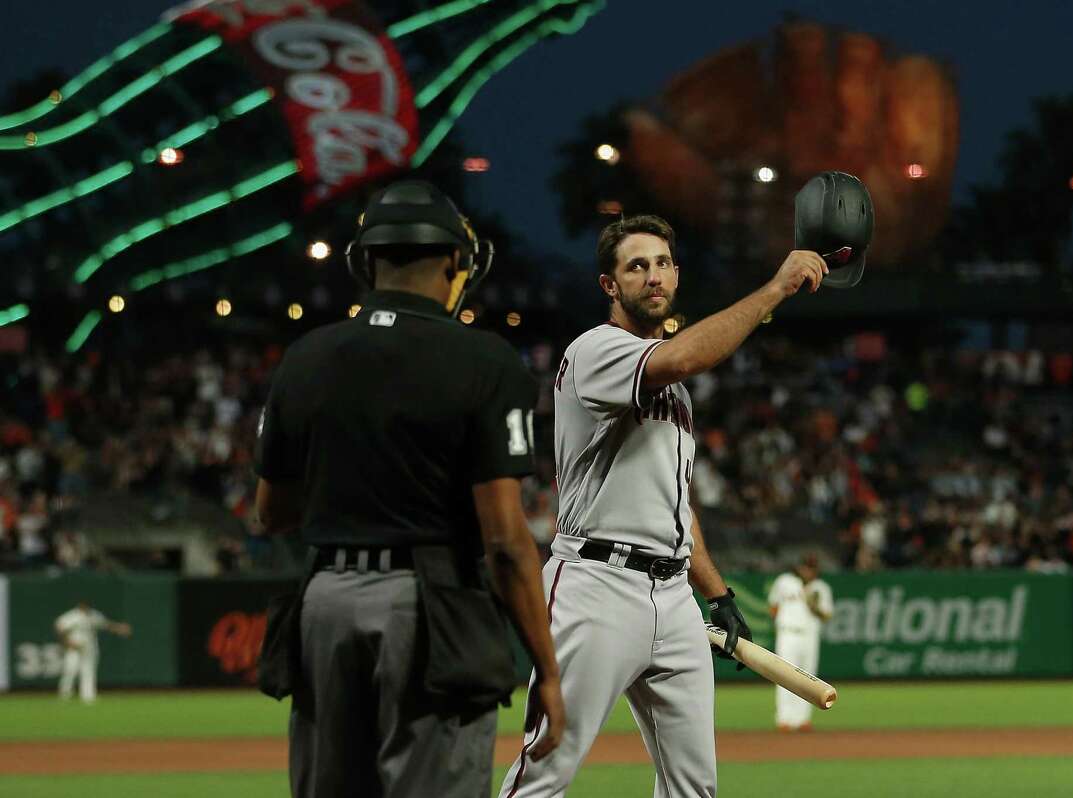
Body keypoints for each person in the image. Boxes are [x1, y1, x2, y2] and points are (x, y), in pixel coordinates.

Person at [499, 215, 830, 797]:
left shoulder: (672, 389)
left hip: (673, 593)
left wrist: (718, 594)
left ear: (676, 273)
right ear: (610, 285)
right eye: (636, 266)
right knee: (545, 771)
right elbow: (680, 358)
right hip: (595, 585)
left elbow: (677, 508)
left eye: (662, 263)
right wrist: (775, 289)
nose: (653, 276)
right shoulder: (595, 350)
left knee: (693, 786)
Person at [254, 180, 564, 798]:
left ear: (367, 262)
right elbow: (504, 541)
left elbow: (272, 513)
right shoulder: (485, 360)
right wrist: (547, 672)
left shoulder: (306, 356)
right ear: (458, 262)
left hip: (324, 604)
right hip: (427, 606)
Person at [768, 554, 834, 731]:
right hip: (788, 634)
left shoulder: (821, 587)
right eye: (806, 567)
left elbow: (827, 615)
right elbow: (773, 607)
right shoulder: (785, 582)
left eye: (812, 568)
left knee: (809, 678)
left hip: (810, 635)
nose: (809, 571)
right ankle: (785, 719)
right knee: (785, 676)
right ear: (799, 567)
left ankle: (802, 719)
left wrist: (816, 608)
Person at [54, 600, 132, 703]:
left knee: (89, 671)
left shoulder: (94, 615)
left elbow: (105, 624)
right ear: (79, 605)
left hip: (90, 647)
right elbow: (59, 627)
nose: (84, 606)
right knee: (70, 670)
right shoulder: (72, 616)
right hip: (75, 647)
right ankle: (65, 694)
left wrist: (119, 628)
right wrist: (67, 642)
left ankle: (88, 696)